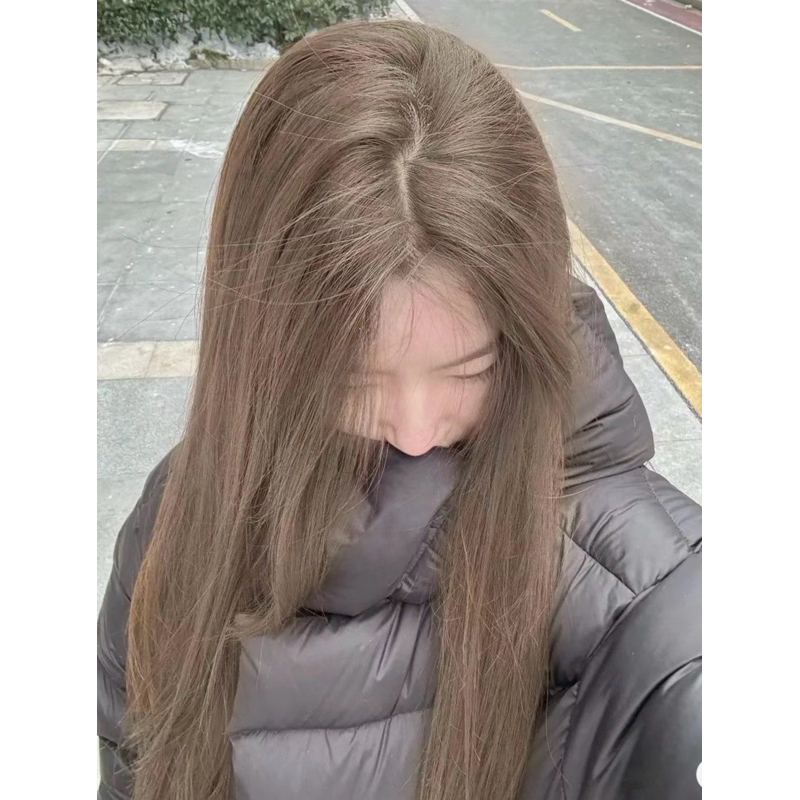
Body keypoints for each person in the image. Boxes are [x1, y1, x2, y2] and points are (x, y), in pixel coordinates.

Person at [97, 17, 701, 800]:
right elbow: (131, 759)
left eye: (470, 370)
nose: (416, 431)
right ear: (263, 352)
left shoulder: (642, 592)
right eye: (354, 380)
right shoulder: (177, 514)